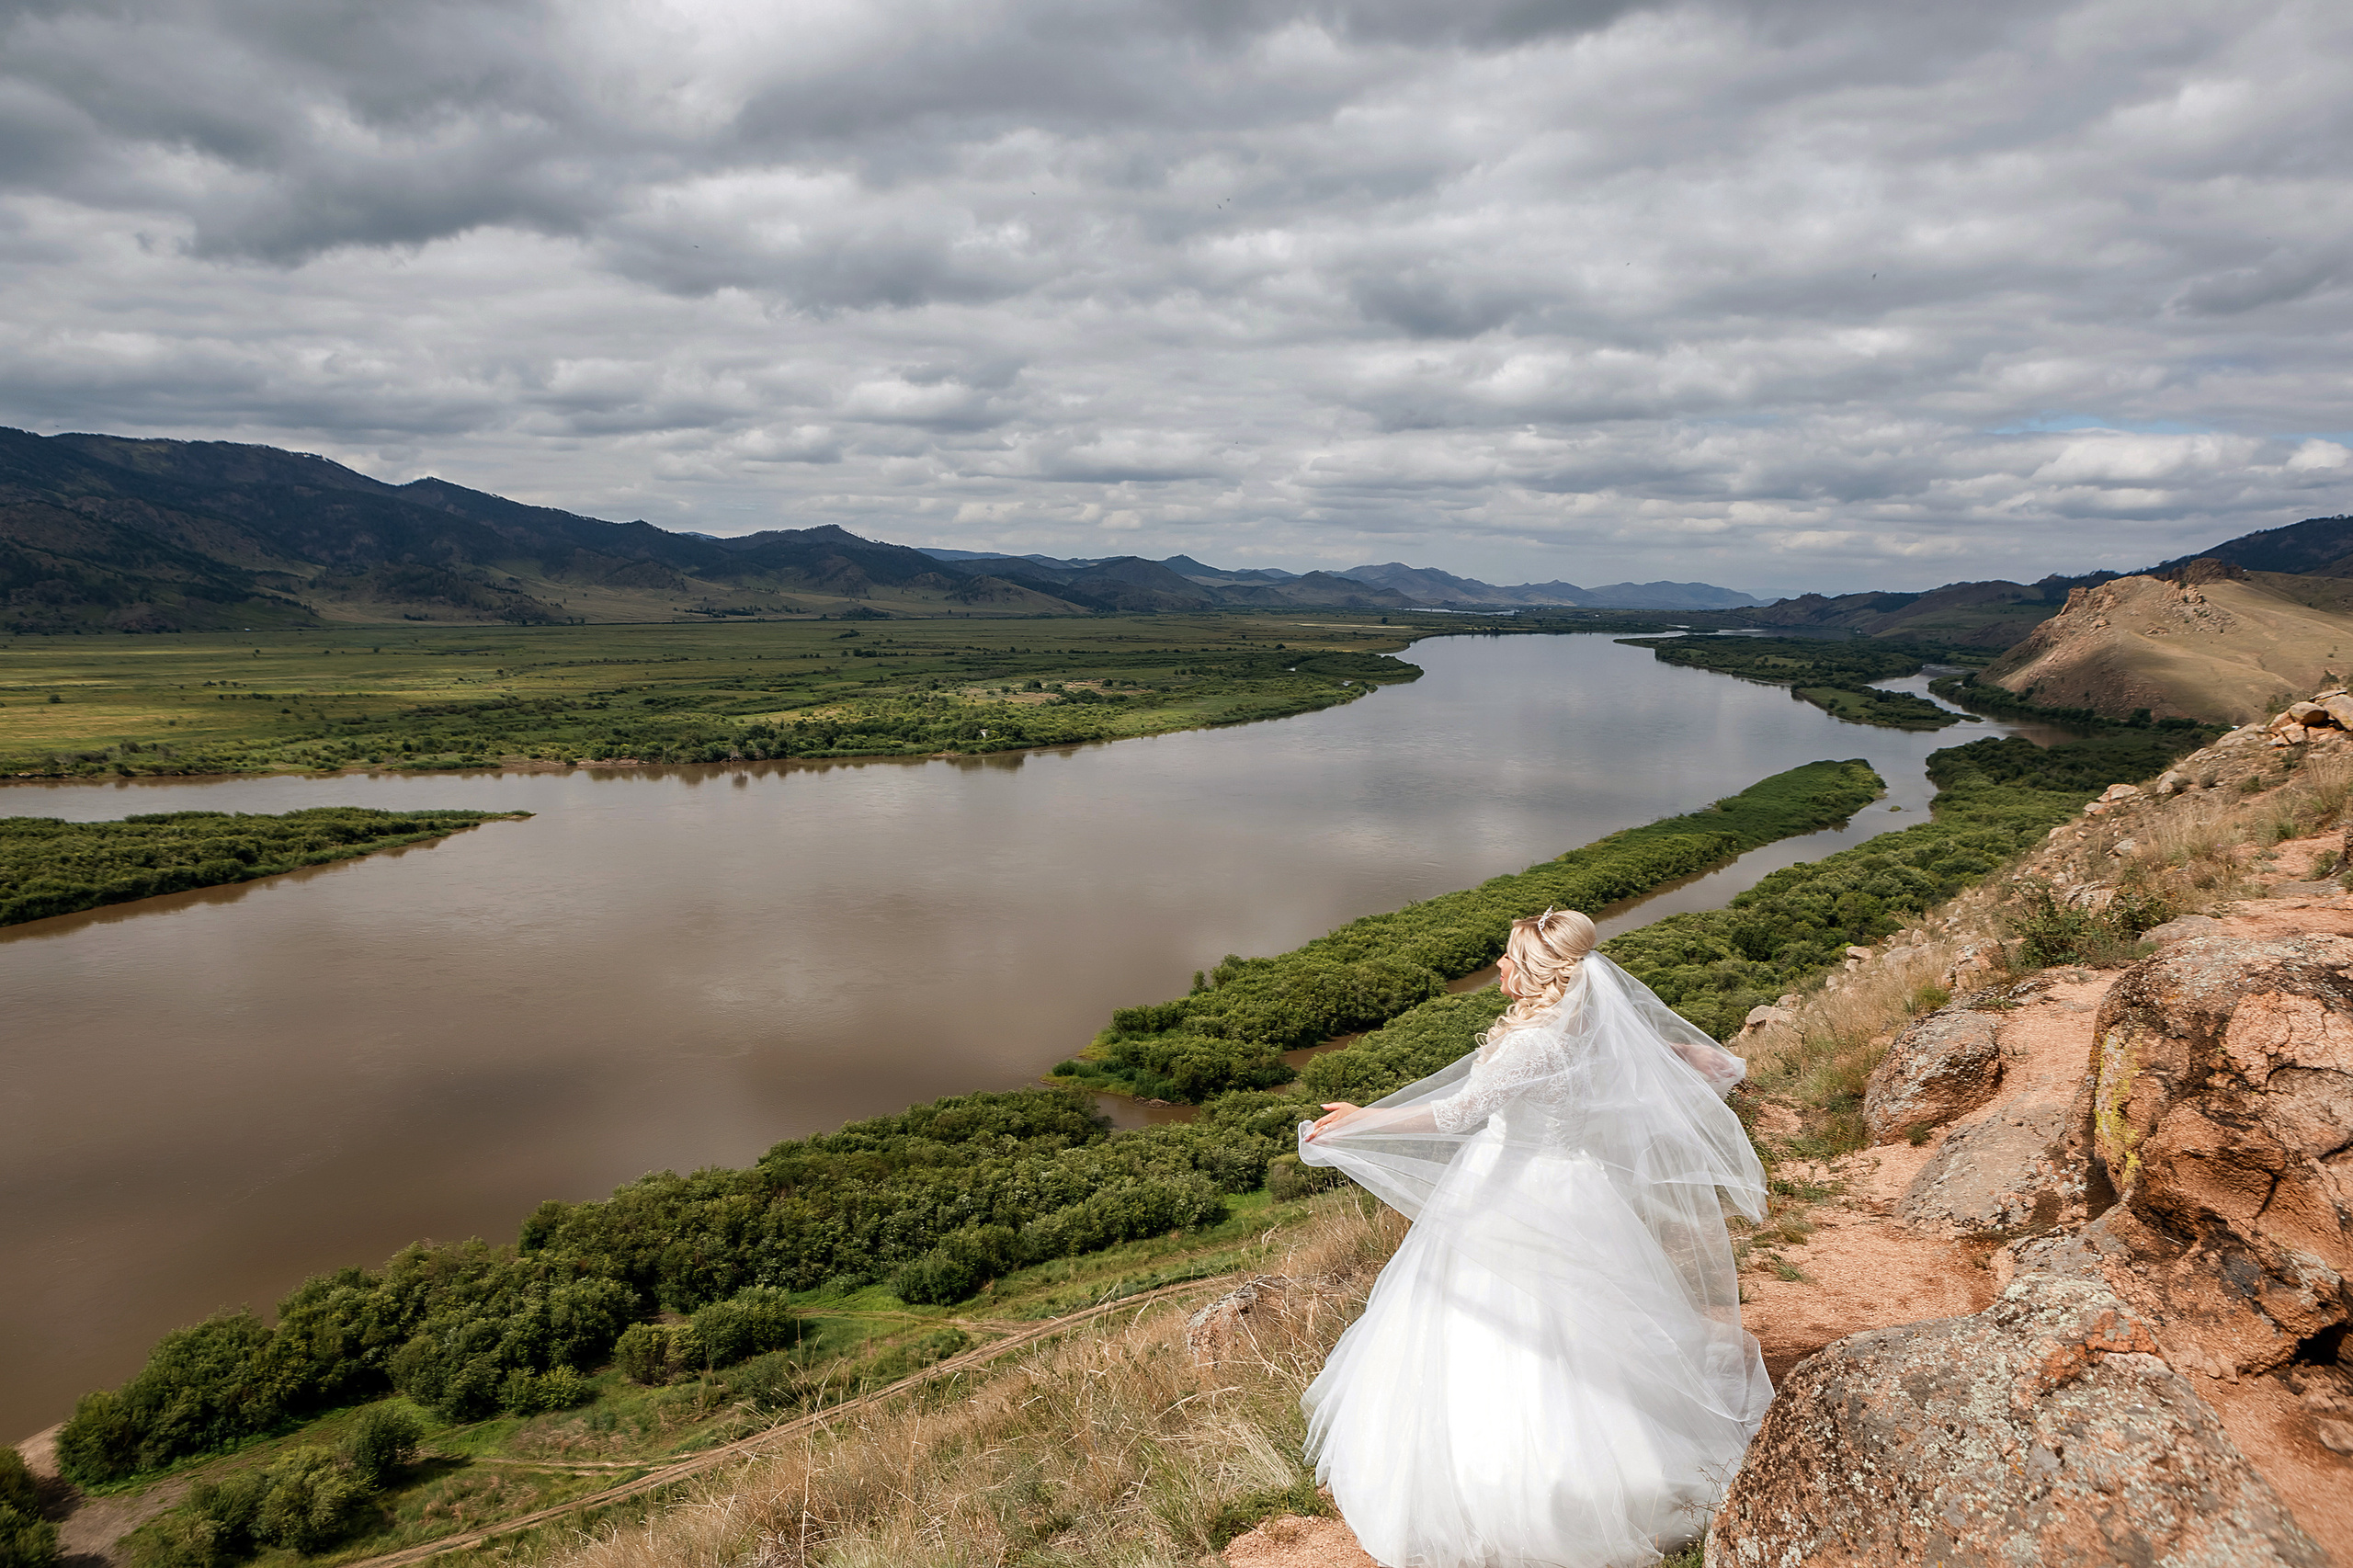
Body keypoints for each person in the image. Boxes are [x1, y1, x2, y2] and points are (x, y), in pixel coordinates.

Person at [1296, 906, 1770, 1567]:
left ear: (1537, 972)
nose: (1498, 965)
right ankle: (1631, 1451)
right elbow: (1707, 1065)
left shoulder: (1535, 1042)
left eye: (1508, 958)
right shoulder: (1592, 1023)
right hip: (1577, 1192)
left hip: (1512, 1192)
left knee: (1509, 1327)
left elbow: (1460, 1113)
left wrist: (1360, 1120)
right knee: (1588, 1332)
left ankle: (1536, 1493)